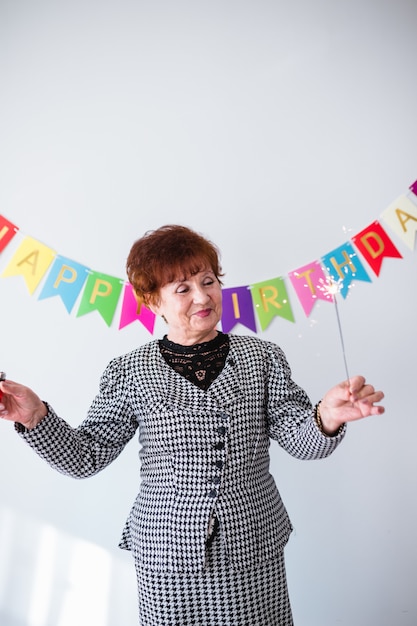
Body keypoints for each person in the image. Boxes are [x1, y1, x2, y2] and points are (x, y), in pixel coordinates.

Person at [0, 224, 384, 625]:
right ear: (152, 302)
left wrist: (327, 416)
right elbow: (86, 456)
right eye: (182, 288)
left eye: (209, 281)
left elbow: (300, 439)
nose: (203, 296)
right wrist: (34, 417)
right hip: (167, 556)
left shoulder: (263, 358)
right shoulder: (128, 371)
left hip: (252, 548)